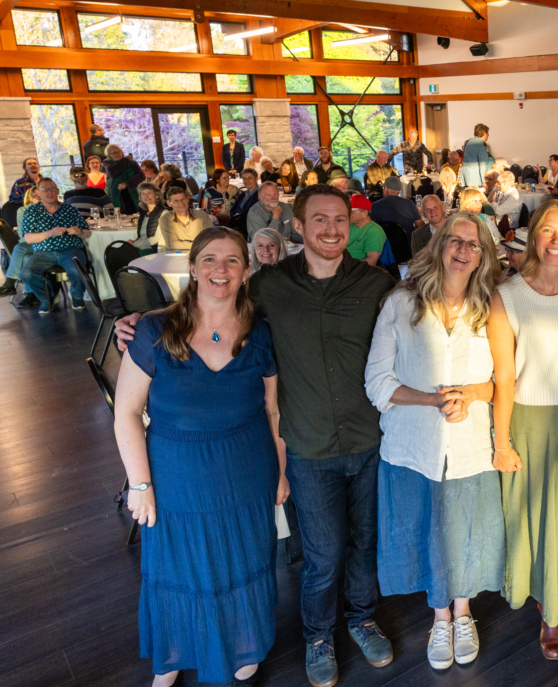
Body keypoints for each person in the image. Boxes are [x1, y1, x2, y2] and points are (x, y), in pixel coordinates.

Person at [115, 184, 398, 687]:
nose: (331, 229)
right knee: (322, 552)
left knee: (364, 542)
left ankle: (362, 617)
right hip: (307, 443)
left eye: (340, 219)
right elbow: (207, 304)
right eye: (319, 220)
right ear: (299, 226)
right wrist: (138, 320)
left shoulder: (377, 285)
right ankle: (317, 636)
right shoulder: (271, 285)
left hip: (367, 439)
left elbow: (415, 322)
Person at [113, 227, 285, 687]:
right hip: (175, 474)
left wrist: (281, 473)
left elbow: (273, 411)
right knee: (176, 565)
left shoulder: (260, 333)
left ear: (246, 271)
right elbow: (126, 414)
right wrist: (140, 484)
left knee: (243, 559)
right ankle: (171, 657)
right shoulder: (154, 330)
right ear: (192, 268)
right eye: (209, 259)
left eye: (232, 260)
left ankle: (242, 641)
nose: (220, 269)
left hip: (247, 470)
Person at [365, 212, 503, 671]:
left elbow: (505, 380)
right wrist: (431, 399)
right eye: (455, 241)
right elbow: (377, 382)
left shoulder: (490, 306)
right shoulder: (401, 303)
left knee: (464, 529)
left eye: (474, 245)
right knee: (428, 530)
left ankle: (463, 614)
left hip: (469, 444)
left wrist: (470, 395)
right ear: (440, 245)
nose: (463, 250)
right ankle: (440, 618)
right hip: (413, 444)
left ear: (483, 257)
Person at [487, 198, 558, 662]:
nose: (557, 240)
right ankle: (548, 611)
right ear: (533, 235)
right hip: (529, 416)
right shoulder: (508, 294)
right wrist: (501, 441)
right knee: (533, 516)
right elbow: (503, 376)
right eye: (548, 231)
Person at [19, 178, 91, 313]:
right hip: (43, 252)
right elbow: (28, 238)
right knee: (26, 274)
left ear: (57, 191)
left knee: (76, 270)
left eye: (52, 188)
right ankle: (47, 298)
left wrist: (79, 231)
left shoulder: (70, 209)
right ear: (38, 193)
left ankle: (77, 297)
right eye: (44, 189)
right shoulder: (31, 211)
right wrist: (50, 233)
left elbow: (87, 233)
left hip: (70, 249)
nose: (49, 192)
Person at [0, 187, 39, 301]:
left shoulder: (52, 209)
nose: (40, 200)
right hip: (30, 243)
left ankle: (11, 284)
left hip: (47, 244)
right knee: (25, 254)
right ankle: (31, 294)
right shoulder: (24, 210)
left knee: (22, 251)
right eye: (37, 197)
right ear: (30, 197)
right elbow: (23, 236)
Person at [347, 194, 387, 267]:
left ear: (364, 213)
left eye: (352, 212)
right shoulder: (350, 226)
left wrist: (347, 267)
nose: (348, 214)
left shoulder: (374, 231)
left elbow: (371, 261)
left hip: (355, 270)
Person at [104, 144, 145, 214]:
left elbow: (141, 176)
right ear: (109, 155)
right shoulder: (107, 163)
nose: (116, 154)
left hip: (133, 194)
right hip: (116, 196)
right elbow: (113, 172)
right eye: (113, 153)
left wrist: (127, 183)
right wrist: (125, 160)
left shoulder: (132, 163)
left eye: (118, 151)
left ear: (121, 152)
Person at [134, 182, 168, 255]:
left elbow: (156, 239)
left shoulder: (164, 213)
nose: (146, 196)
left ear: (157, 195)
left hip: (155, 250)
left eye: (149, 193)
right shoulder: (143, 214)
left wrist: (134, 244)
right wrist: (133, 242)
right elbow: (142, 237)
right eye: (143, 193)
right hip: (141, 247)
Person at [459, 123, 492, 188]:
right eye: (487, 133)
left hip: (463, 174)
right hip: (474, 178)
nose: (488, 135)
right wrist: (484, 181)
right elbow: (482, 166)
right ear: (484, 133)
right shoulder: (481, 147)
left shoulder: (467, 142)